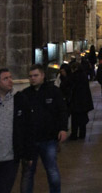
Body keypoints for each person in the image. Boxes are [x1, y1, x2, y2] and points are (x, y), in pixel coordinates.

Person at [20, 64, 68, 193]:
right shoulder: (25, 95)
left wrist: (63, 129)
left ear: (42, 75)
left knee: (52, 170)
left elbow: (62, 111)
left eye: (35, 75)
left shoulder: (53, 91)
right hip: (31, 140)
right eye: (30, 76)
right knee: (28, 173)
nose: (32, 79)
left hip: (49, 139)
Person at [67, 60, 93, 140]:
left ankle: (74, 134)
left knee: (75, 119)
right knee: (82, 118)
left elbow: (70, 87)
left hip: (76, 101)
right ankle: (82, 134)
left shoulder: (74, 76)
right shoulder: (84, 75)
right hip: (84, 100)